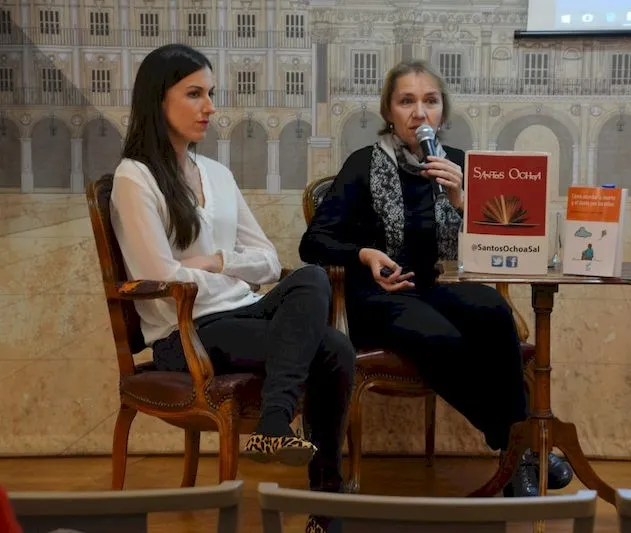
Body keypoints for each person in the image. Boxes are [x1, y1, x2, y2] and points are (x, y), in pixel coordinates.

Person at [299, 59, 573, 497]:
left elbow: (507, 242)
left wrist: (463, 198)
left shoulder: (462, 166)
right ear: (389, 111)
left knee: (493, 312)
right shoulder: (363, 164)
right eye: (407, 101)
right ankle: (519, 448)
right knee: (437, 335)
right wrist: (365, 254)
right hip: (376, 296)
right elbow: (313, 242)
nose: (419, 113)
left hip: (436, 287)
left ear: (442, 111)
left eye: (429, 101)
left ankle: (517, 454)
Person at [109, 44, 355, 516]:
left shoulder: (217, 174)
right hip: (185, 332)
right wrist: (224, 272)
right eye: (195, 94)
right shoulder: (134, 177)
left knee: (310, 278)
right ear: (158, 99)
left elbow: (265, 259)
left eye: (211, 93)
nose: (210, 107)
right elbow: (160, 278)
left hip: (238, 311)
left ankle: (286, 445)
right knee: (334, 349)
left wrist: (216, 262)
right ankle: (322, 496)